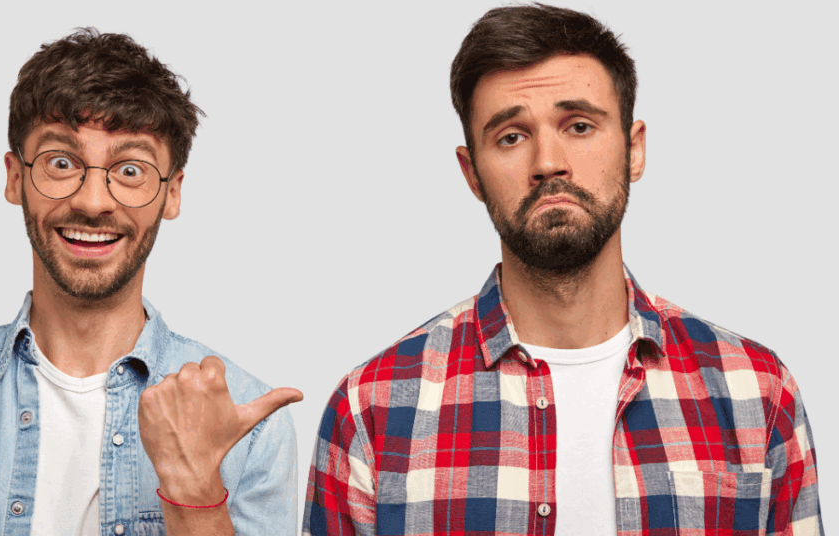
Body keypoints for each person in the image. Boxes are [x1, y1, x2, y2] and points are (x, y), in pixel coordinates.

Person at [302, 4, 822, 535]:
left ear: (634, 150)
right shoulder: (372, 410)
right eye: (511, 136)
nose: (548, 162)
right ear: (472, 173)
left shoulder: (756, 392)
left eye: (578, 126)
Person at [0, 28, 302, 536]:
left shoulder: (249, 427)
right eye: (61, 163)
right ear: (15, 178)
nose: (93, 202)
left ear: (172, 194)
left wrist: (193, 490)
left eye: (130, 170)